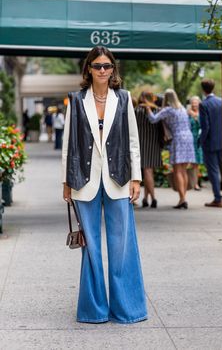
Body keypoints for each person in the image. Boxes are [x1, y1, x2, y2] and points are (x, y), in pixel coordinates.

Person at [62, 46, 147, 324]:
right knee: (91, 248)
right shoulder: (75, 101)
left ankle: (127, 309)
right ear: (88, 68)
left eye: (107, 66)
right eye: (97, 65)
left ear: (113, 70)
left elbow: (133, 140)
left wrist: (136, 178)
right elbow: (68, 144)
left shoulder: (124, 99)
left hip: (119, 178)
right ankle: (93, 310)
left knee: (122, 246)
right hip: (82, 180)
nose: (102, 70)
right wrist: (66, 182)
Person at [146, 89, 195, 209]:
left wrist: (148, 109)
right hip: (188, 138)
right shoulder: (182, 109)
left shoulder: (168, 110)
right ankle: (183, 198)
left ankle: (182, 199)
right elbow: (188, 124)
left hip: (178, 138)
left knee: (177, 170)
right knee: (183, 170)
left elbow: (153, 119)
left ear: (166, 99)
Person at [199, 78, 222, 207]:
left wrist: (201, 141)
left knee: (213, 171)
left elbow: (205, 127)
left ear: (203, 89)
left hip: (209, 143)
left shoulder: (204, 104)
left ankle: (218, 198)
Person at [135, 91, 162, 208]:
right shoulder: (157, 111)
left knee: (147, 172)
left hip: (142, 143)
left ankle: (153, 198)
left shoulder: (137, 111)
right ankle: (146, 199)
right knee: (149, 172)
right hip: (154, 143)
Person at [187, 96, 204, 190]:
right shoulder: (187, 113)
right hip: (189, 139)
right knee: (188, 162)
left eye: (196, 102)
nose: (194, 104)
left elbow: (203, 125)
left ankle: (196, 183)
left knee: (196, 164)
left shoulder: (201, 113)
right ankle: (189, 182)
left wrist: (195, 116)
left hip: (197, 139)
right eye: (192, 102)